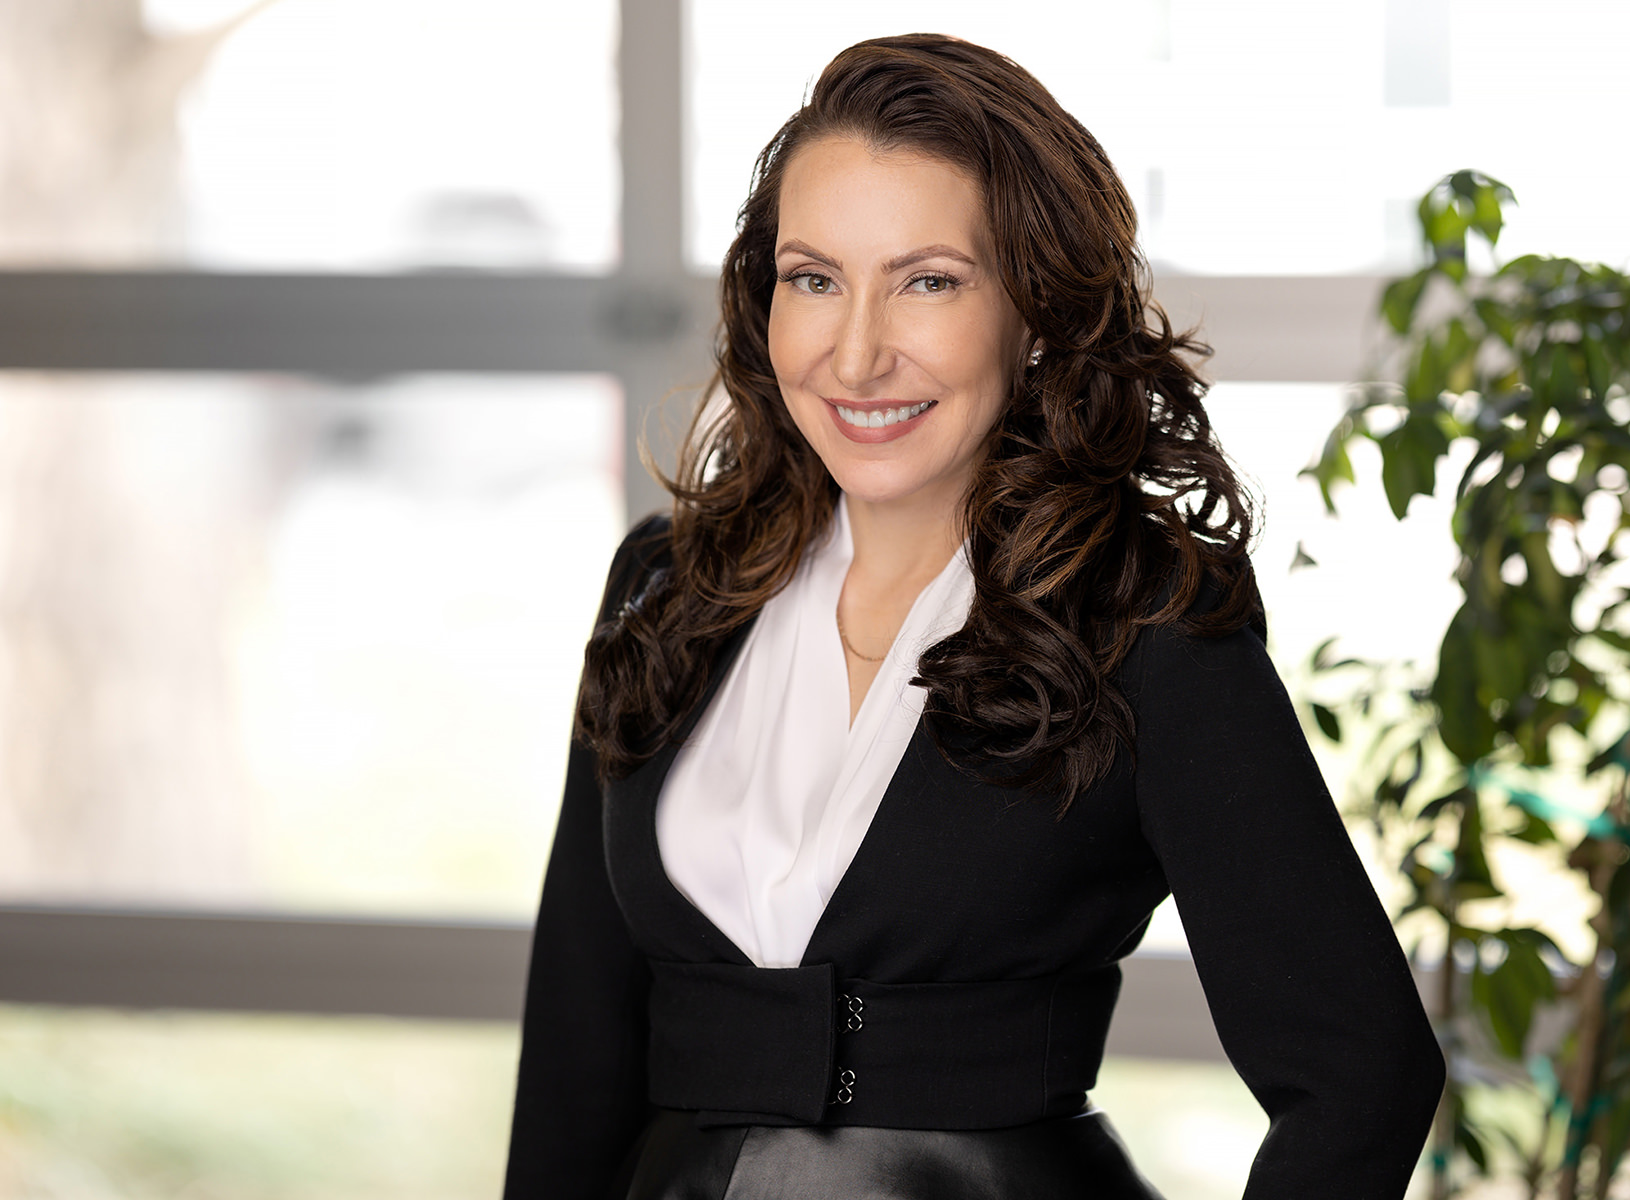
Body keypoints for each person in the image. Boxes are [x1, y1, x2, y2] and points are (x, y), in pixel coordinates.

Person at [502, 33, 1444, 1200]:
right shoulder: (665, 585)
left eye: (929, 281)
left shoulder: (1145, 626)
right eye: (814, 278)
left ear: (1036, 309)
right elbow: (576, 1061)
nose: (856, 353)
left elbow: (1365, 1073)